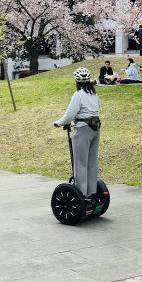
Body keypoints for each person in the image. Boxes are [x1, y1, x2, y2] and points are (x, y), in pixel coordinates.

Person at [54, 68, 101, 203]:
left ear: (76, 81)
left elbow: (70, 115)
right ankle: (92, 193)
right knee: (92, 162)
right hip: (95, 129)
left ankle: (82, 195)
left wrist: (58, 123)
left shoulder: (78, 94)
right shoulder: (93, 94)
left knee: (80, 163)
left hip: (82, 130)